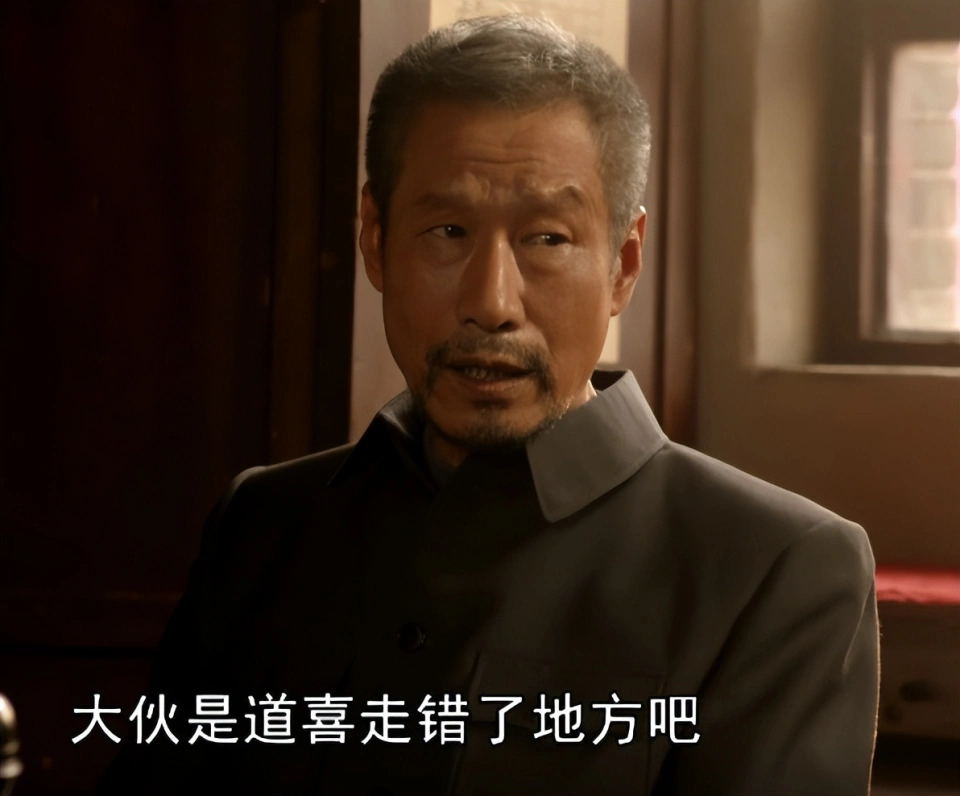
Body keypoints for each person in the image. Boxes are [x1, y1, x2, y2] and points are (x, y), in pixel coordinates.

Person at [100, 14, 879, 796]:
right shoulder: (262, 524)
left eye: (548, 239)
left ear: (623, 265)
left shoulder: (775, 568)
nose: (492, 303)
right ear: (374, 240)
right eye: (447, 230)